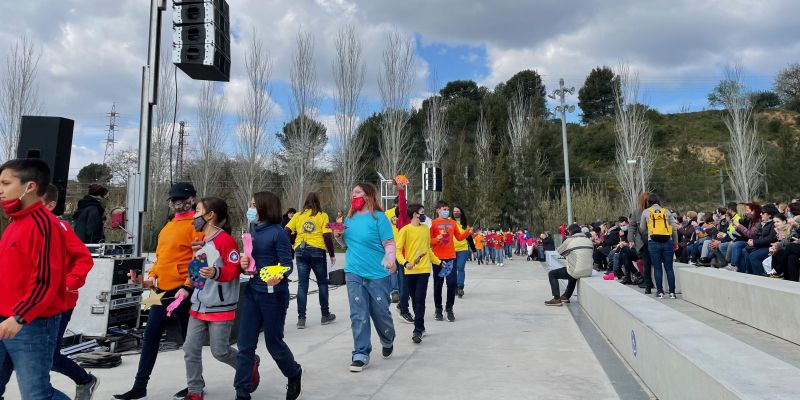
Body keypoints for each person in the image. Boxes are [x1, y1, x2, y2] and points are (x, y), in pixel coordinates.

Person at [114, 182, 199, 400]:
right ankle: (140, 386)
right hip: (159, 291)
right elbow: (161, 258)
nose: (177, 203)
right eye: (174, 199)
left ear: (191, 200)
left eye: (181, 198)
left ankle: (195, 385)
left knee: (188, 342)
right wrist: (150, 277)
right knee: (150, 335)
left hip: (181, 291)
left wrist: (188, 286)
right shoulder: (168, 227)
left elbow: (198, 260)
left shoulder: (196, 227)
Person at [0, 159, 70, 400]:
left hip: (31, 324)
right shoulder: (15, 223)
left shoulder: (45, 225)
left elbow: (45, 280)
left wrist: (19, 317)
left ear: (29, 186)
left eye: (6, 183)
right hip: (5, 319)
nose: (0, 189)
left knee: (37, 395)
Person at [235, 191, 302, 399]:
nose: (251, 208)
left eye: (254, 205)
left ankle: (293, 372)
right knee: (245, 344)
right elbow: (250, 261)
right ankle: (242, 392)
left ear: (265, 207)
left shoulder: (278, 232)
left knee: (274, 343)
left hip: (274, 296)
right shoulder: (252, 229)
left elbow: (287, 265)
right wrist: (244, 264)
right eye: (251, 204)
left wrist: (278, 276)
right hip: (253, 291)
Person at [178, 197, 246, 400]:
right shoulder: (201, 242)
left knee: (220, 351)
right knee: (190, 348)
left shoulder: (225, 240)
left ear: (210, 215)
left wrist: (216, 272)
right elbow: (196, 275)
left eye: (197, 211)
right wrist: (190, 282)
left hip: (220, 306)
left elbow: (234, 269)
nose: (194, 215)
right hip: (198, 305)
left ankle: (248, 363)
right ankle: (195, 390)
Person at [43, 185, 99, 400]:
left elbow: (84, 258)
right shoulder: (20, 225)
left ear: (50, 205)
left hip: (59, 303)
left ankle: (85, 380)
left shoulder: (60, 227)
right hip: (31, 304)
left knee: (50, 358)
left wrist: (68, 282)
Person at [333, 183, 396, 372]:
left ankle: (387, 338)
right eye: (353, 193)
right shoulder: (349, 219)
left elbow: (389, 243)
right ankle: (361, 352)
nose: (354, 196)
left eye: (358, 192)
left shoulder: (380, 218)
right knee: (358, 314)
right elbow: (345, 243)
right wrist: (338, 236)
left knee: (380, 313)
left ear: (369, 195)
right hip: (354, 272)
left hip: (377, 273)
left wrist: (391, 260)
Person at [285, 192, 337, 329]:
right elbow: (327, 236)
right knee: (322, 284)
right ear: (318, 202)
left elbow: (285, 230)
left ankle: (301, 319)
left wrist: (291, 243)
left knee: (302, 286)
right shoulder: (322, 215)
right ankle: (325, 315)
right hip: (317, 251)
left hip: (301, 251)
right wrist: (331, 254)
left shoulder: (298, 216)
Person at [396, 204, 441, 344]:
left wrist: (439, 262)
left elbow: (428, 249)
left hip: (424, 270)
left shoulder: (425, 230)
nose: (424, 215)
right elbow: (398, 251)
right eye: (422, 212)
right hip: (410, 270)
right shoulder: (405, 230)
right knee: (415, 300)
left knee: (420, 298)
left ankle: (417, 329)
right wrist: (405, 263)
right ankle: (420, 325)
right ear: (415, 214)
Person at [430, 200, 472, 322]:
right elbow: (429, 241)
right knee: (438, 285)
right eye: (443, 209)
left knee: (452, 283)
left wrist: (468, 233)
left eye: (447, 209)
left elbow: (459, 237)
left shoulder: (453, 223)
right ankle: (438, 309)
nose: (446, 211)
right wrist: (436, 239)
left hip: (450, 258)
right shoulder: (433, 224)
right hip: (438, 258)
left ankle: (449, 308)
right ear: (438, 210)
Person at [641, 193, 679, 299]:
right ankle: (672, 292)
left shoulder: (646, 212)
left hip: (653, 242)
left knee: (657, 268)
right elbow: (674, 229)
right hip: (668, 241)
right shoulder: (666, 211)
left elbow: (642, 229)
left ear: (649, 202)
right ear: (659, 201)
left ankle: (660, 292)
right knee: (669, 268)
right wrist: (675, 242)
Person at [545, 224, 593, 306]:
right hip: (589, 271)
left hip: (577, 271)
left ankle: (556, 299)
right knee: (572, 270)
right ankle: (566, 296)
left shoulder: (570, 240)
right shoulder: (588, 240)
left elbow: (560, 252)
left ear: (570, 232)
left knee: (552, 274)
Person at [629, 192, 654, 293]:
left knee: (647, 262)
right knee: (648, 262)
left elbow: (631, 227)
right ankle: (649, 284)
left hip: (644, 240)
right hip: (648, 240)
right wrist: (630, 239)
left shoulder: (637, 212)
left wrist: (631, 239)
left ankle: (648, 285)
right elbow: (632, 226)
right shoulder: (637, 212)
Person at [451, 206, 474, 298]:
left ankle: (460, 287)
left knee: (460, 268)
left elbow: (470, 239)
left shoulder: (465, 225)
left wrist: (474, 250)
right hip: (451, 250)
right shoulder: (449, 222)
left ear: (461, 213)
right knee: (452, 270)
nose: (455, 212)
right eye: (454, 211)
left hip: (463, 250)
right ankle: (454, 287)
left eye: (457, 211)